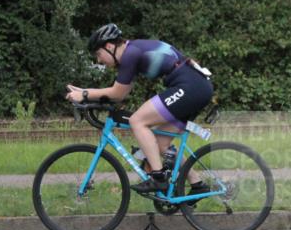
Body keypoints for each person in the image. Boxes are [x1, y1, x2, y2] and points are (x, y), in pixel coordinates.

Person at [66, 23, 214, 194]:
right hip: (196, 86)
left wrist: (85, 94)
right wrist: (88, 94)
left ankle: (158, 178)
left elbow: (117, 93)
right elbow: (122, 92)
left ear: (109, 46)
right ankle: (198, 185)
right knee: (160, 144)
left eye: (98, 54)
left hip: (190, 87)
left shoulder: (130, 54)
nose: (99, 60)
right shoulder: (134, 51)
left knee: (138, 120)